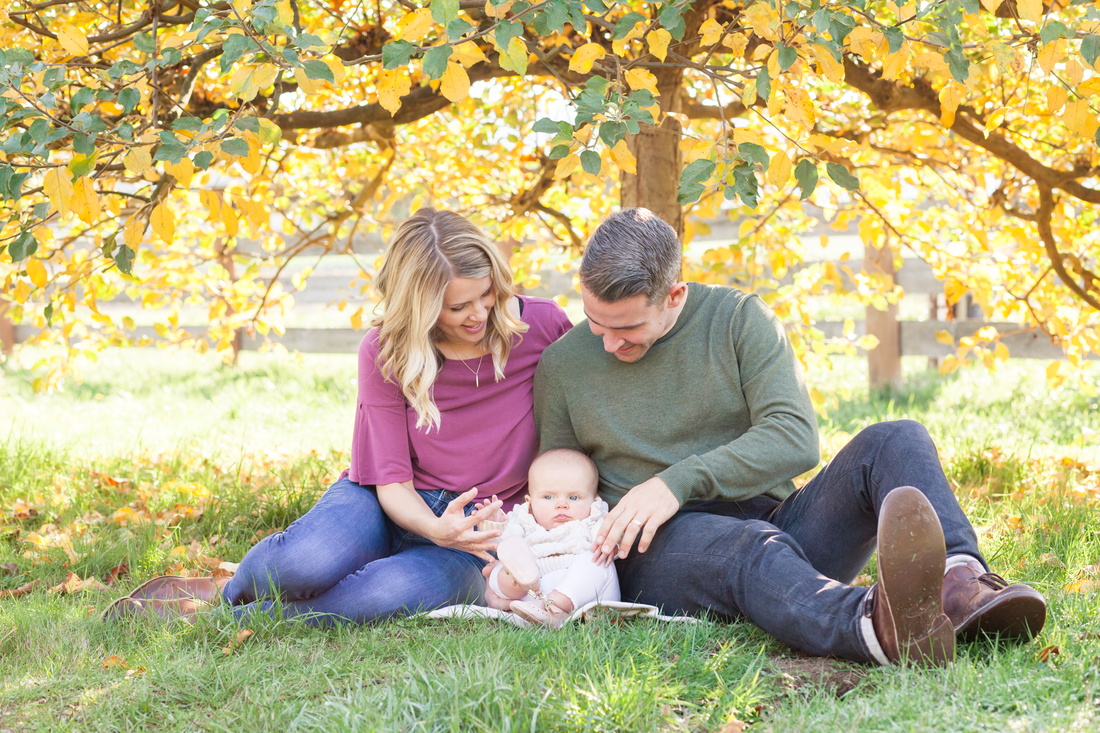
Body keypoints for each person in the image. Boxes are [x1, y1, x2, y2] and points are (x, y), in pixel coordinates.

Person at [527, 207, 1047, 666]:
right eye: (597, 321)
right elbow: (555, 482)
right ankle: (877, 626)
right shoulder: (564, 365)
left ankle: (959, 586)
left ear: (674, 295)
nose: (610, 341)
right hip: (654, 550)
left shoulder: (737, 319)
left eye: (629, 328)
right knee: (751, 546)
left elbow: (794, 437)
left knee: (898, 437)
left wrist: (677, 481)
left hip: (779, 525)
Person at [105, 207, 572, 624]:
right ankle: (226, 593)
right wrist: (431, 526)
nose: (479, 313)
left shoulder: (543, 327)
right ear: (420, 306)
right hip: (383, 502)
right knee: (303, 563)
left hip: (480, 534)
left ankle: (223, 622)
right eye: (457, 306)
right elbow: (391, 480)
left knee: (384, 596)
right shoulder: (386, 351)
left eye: (486, 295)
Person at [479, 449, 621, 627]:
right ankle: (521, 599)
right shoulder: (523, 520)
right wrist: (494, 526)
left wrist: (611, 542)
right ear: (530, 503)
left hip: (588, 596)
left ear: (594, 501)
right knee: (502, 565)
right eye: (548, 497)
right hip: (535, 586)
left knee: (595, 561)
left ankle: (552, 609)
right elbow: (498, 548)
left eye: (574, 497)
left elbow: (612, 540)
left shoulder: (594, 520)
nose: (561, 504)